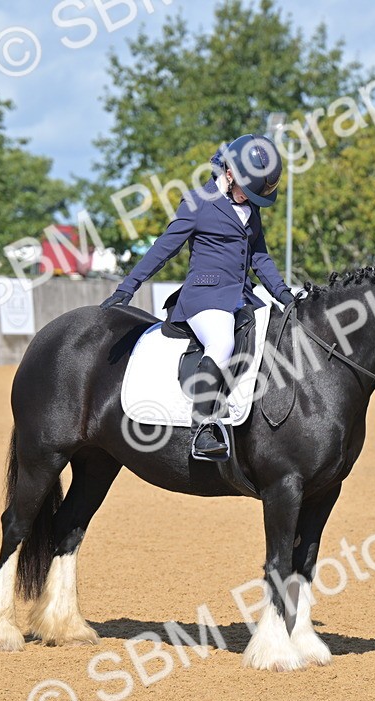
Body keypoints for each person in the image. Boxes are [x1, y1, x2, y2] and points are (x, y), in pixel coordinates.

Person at [100, 133, 296, 461]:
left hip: (243, 296)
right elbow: (163, 248)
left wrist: (285, 296)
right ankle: (203, 427)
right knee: (221, 344)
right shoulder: (197, 202)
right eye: (246, 193)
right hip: (205, 298)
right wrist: (127, 287)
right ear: (229, 174)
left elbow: (260, 258)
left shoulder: (250, 210)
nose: (249, 200)